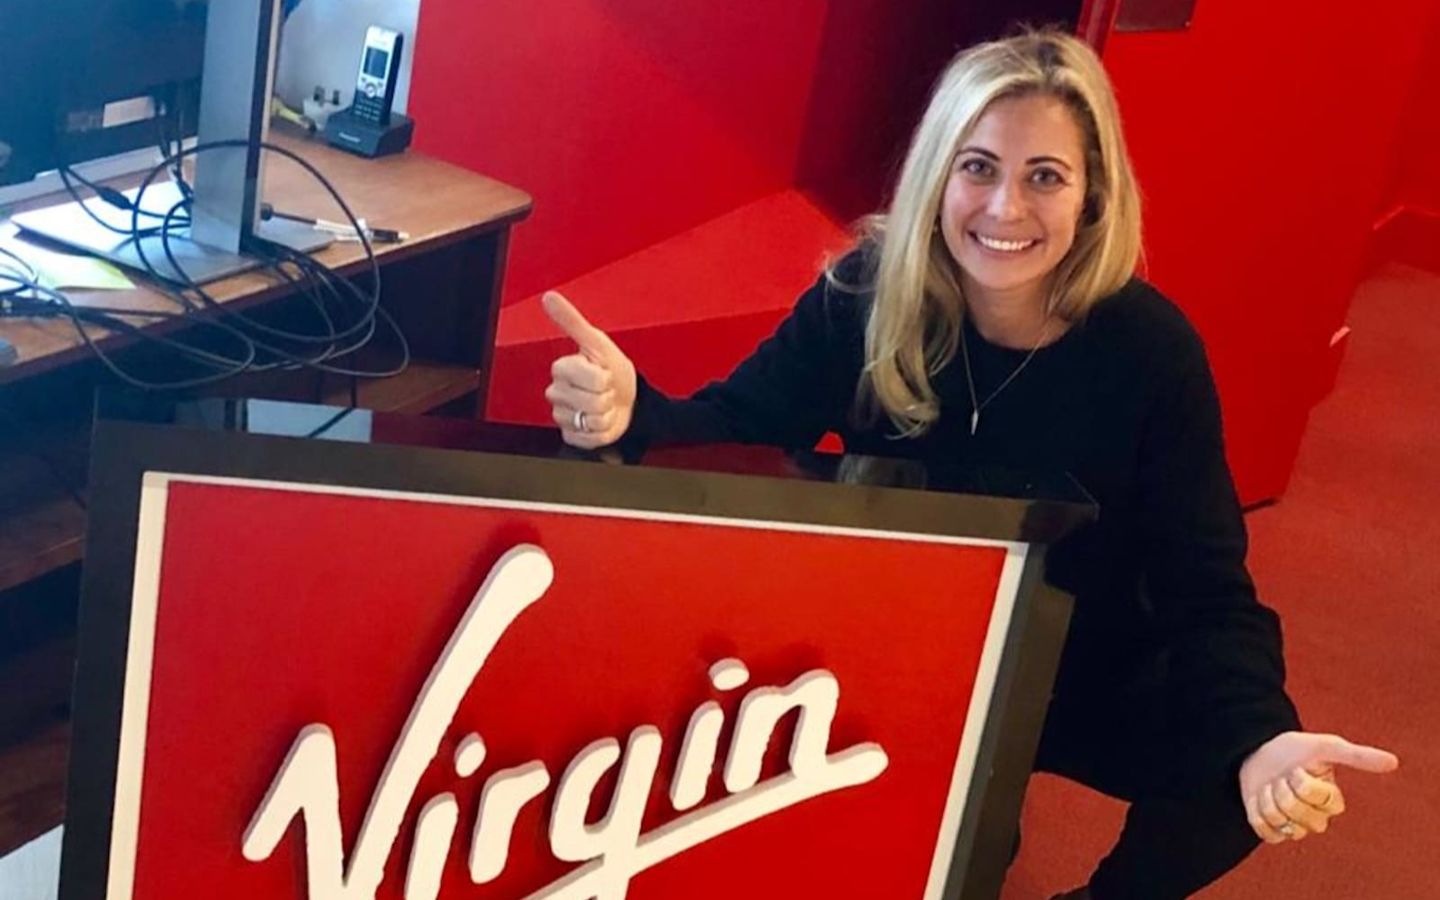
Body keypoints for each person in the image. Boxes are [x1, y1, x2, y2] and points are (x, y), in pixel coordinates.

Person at [539, 28, 1399, 899]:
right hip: (901, 655)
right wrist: (629, 410)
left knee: (1236, 779)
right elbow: (736, 429)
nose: (1004, 209)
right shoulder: (870, 295)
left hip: (1087, 660)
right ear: (937, 175)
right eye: (979, 167)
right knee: (940, 863)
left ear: (1094, 195)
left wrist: (1261, 731)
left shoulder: (1151, 349)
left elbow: (1208, 586)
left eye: (1045, 176)